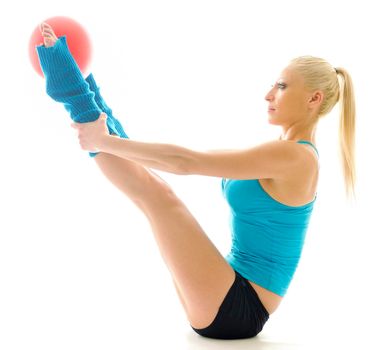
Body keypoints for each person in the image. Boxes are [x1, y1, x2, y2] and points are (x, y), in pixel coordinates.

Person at [36, 22, 356, 340]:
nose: (268, 94)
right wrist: (103, 130)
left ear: (314, 99)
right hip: (228, 289)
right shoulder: (281, 154)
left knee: (157, 196)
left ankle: (72, 91)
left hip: (240, 306)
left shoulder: (296, 158)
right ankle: (78, 88)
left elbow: (186, 163)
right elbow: (177, 159)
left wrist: (103, 142)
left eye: (283, 86)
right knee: (151, 188)